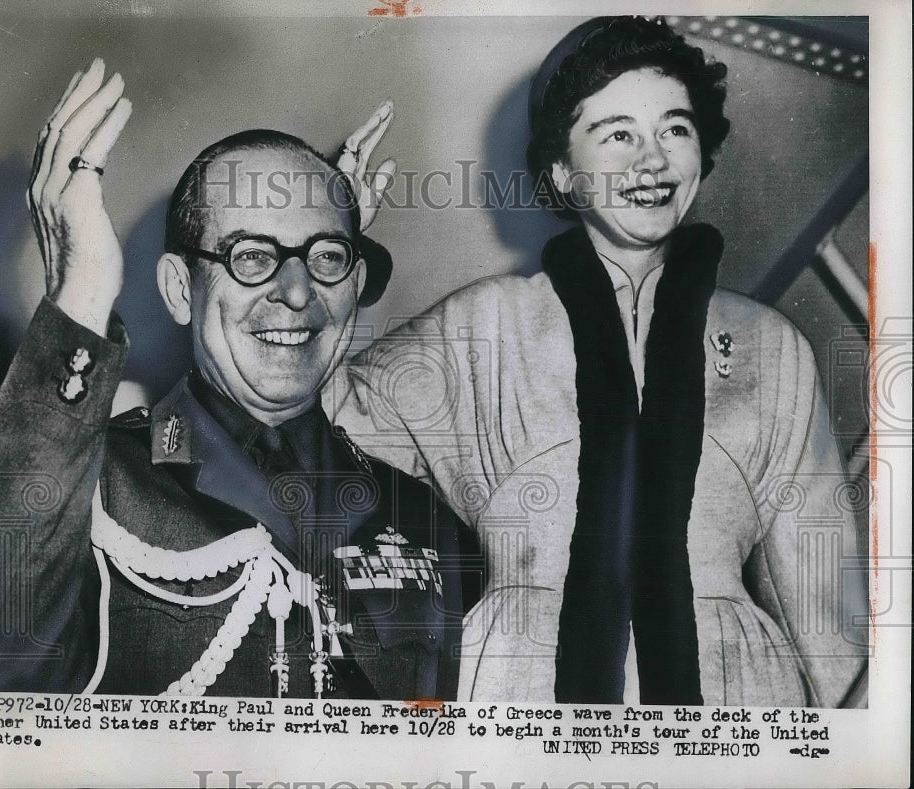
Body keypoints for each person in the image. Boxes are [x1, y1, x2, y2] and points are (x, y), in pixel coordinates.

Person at [330, 16, 868, 706]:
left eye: (674, 129)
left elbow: (826, 610)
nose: (651, 159)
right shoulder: (480, 323)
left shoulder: (774, 345)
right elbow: (315, 425)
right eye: (617, 134)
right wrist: (327, 246)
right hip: (518, 689)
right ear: (561, 168)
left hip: (738, 694)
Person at [0, 59, 478, 699]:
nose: (295, 290)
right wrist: (79, 293)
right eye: (251, 257)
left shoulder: (425, 520)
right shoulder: (92, 485)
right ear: (180, 290)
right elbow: (0, 659)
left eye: (327, 258)